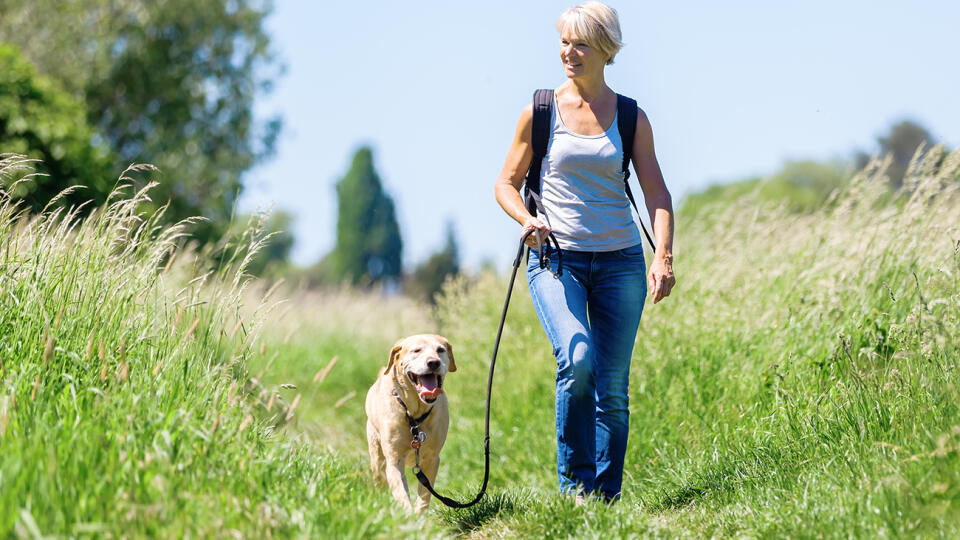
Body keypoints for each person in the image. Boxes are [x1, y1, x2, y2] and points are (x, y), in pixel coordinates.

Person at [493, 1, 676, 502]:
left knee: (612, 390)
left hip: (620, 262)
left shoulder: (632, 116)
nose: (568, 52)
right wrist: (527, 220)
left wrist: (663, 256)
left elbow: (657, 194)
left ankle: (605, 500)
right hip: (557, 260)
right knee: (576, 361)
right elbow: (506, 184)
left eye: (580, 43)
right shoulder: (541, 109)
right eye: (564, 41)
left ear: (605, 49)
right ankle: (575, 491)